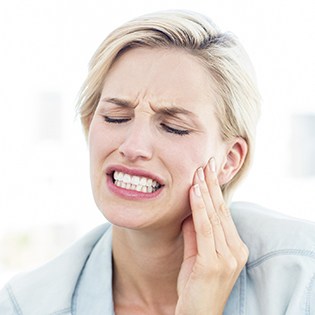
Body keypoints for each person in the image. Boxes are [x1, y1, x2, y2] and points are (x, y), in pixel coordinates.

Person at [1, 10, 314, 315]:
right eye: (116, 117)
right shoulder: (25, 305)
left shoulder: (302, 283)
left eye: (174, 127)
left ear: (229, 160)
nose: (133, 147)